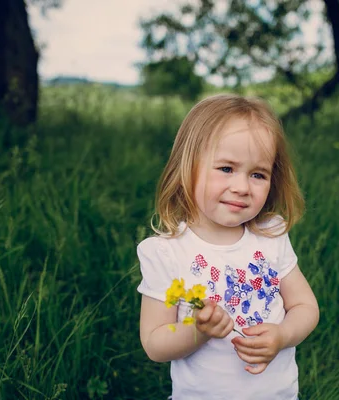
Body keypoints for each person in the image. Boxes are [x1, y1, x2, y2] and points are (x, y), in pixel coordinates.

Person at [137, 93, 319, 399]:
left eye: (258, 174)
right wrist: (199, 330)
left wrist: (283, 335)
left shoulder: (270, 235)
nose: (241, 187)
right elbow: (155, 343)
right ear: (188, 166)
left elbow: (305, 306)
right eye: (226, 169)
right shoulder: (167, 253)